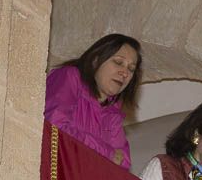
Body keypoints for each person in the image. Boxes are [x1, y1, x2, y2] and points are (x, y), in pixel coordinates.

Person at [44, 34, 141, 169]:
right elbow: (54, 128)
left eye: (131, 69)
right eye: (118, 62)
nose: (125, 73)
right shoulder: (70, 76)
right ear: (96, 61)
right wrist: (108, 153)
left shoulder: (114, 111)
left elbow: (124, 163)